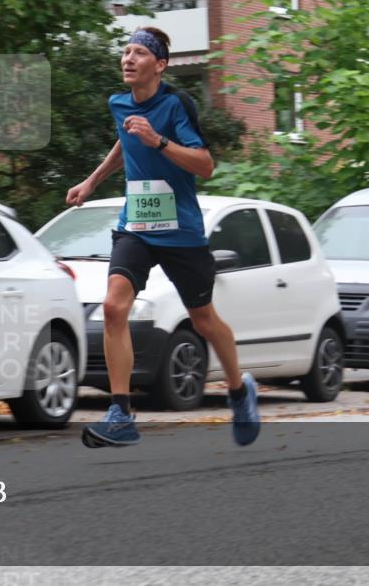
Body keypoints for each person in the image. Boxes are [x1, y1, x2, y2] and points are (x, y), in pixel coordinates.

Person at [66, 27, 260, 447]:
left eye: (138, 53)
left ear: (160, 64)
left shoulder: (176, 104)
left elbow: (205, 165)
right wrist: (92, 181)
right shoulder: (119, 103)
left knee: (204, 320)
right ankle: (121, 413)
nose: (128, 59)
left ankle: (239, 390)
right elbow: (125, 142)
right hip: (137, 223)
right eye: (125, 51)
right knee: (114, 307)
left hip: (181, 231)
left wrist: (159, 141)